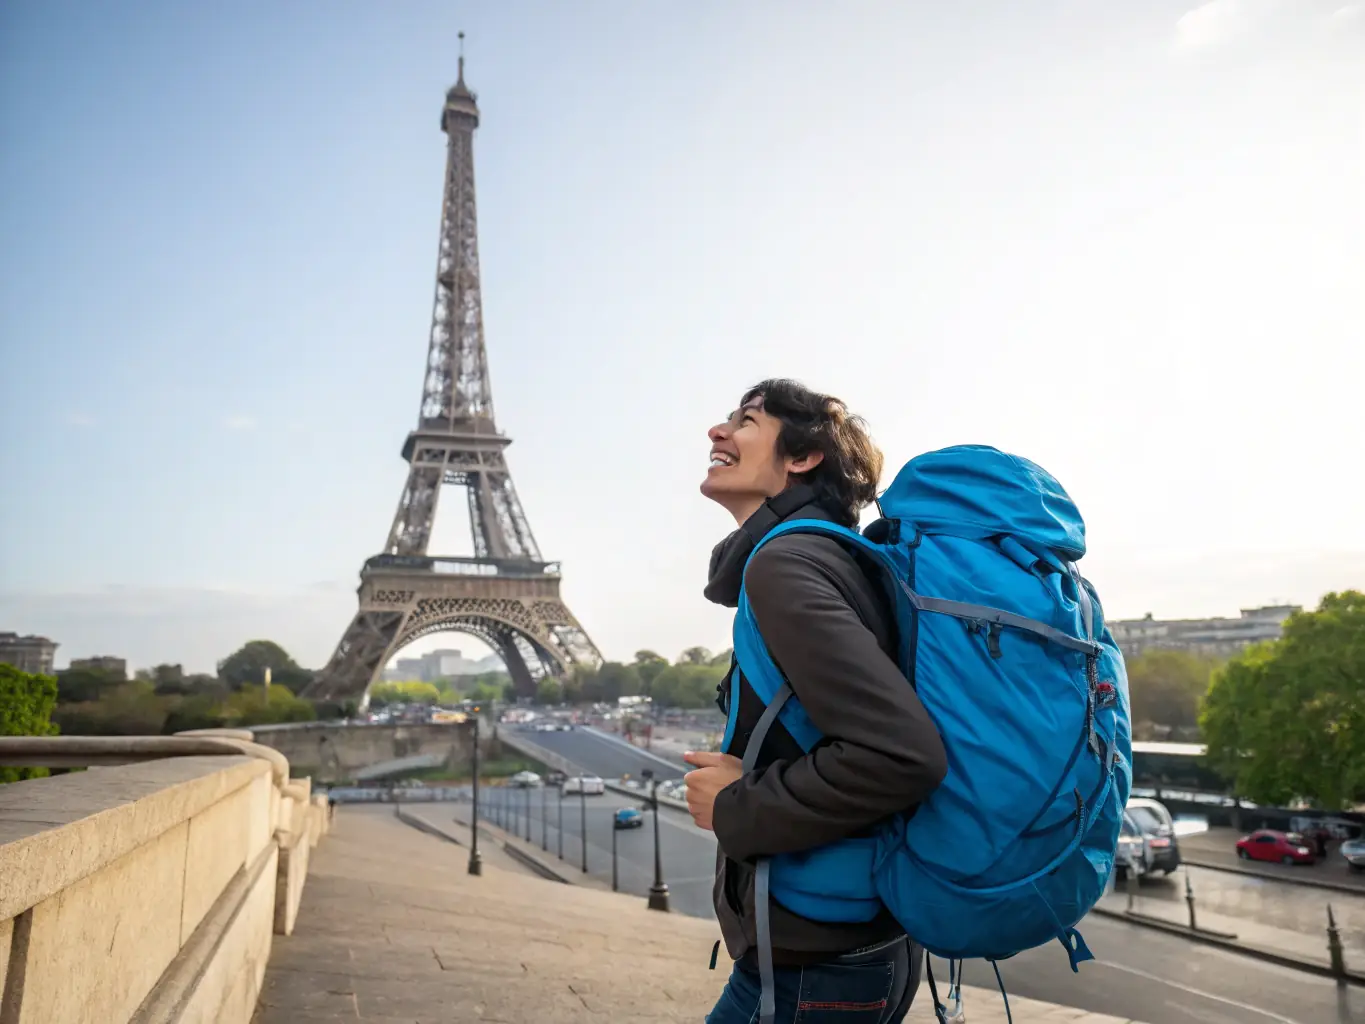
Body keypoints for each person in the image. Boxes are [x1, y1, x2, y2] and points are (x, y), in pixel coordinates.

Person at [683, 379, 948, 1024]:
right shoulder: (838, 558)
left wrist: (735, 805)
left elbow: (900, 755)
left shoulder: (787, 564)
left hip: (815, 966)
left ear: (802, 459)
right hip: (856, 943)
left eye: (745, 421)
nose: (717, 433)